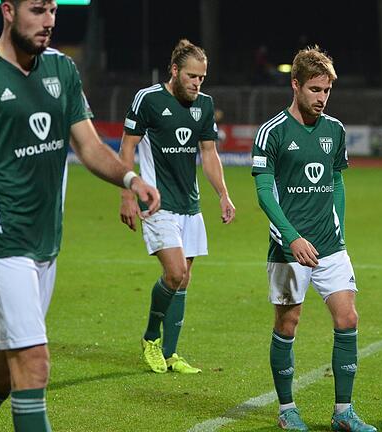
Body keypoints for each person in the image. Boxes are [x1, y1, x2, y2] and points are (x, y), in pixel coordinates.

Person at [0, 1, 160, 430]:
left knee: (1, 371)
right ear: (8, 11)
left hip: (46, 241)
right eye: (38, 10)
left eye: (54, 11)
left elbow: (88, 145)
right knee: (34, 361)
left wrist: (131, 180)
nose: (49, 21)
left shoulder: (62, 70)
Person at [251, 45, 377, 432]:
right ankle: (287, 409)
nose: (322, 99)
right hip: (289, 249)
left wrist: (338, 226)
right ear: (295, 85)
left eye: (327, 91)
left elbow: (336, 179)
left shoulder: (334, 130)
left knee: (348, 318)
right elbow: (264, 192)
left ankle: (343, 413)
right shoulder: (272, 132)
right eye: (315, 90)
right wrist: (291, 237)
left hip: (330, 245)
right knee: (288, 324)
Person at [119, 39, 235, 374]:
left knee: (183, 283)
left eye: (202, 77)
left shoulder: (205, 105)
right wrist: (127, 193)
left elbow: (209, 154)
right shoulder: (148, 99)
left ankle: (171, 353)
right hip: (157, 203)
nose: (197, 83)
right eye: (191, 76)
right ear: (174, 71)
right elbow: (128, 147)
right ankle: (151, 338)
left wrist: (223, 194)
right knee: (174, 273)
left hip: (190, 205)